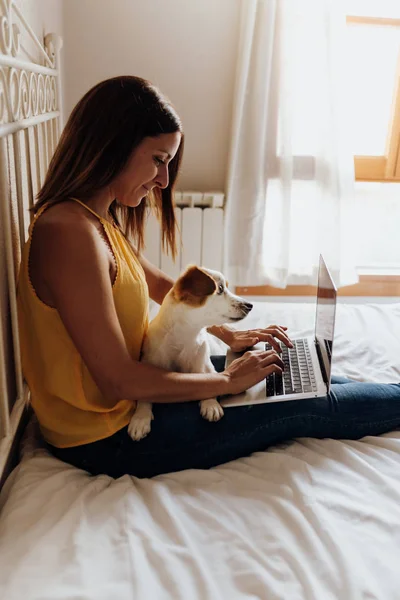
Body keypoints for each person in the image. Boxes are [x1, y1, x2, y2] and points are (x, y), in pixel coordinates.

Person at [17, 76, 400, 479]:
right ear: (113, 143)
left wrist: (227, 336)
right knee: (301, 404)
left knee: (284, 372)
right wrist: (223, 381)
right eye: (159, 159)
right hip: (106, 436)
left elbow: (165, 289)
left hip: (134, 397)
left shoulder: (95, 219)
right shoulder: (68, 233)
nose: (163, 182)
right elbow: (116, 380)